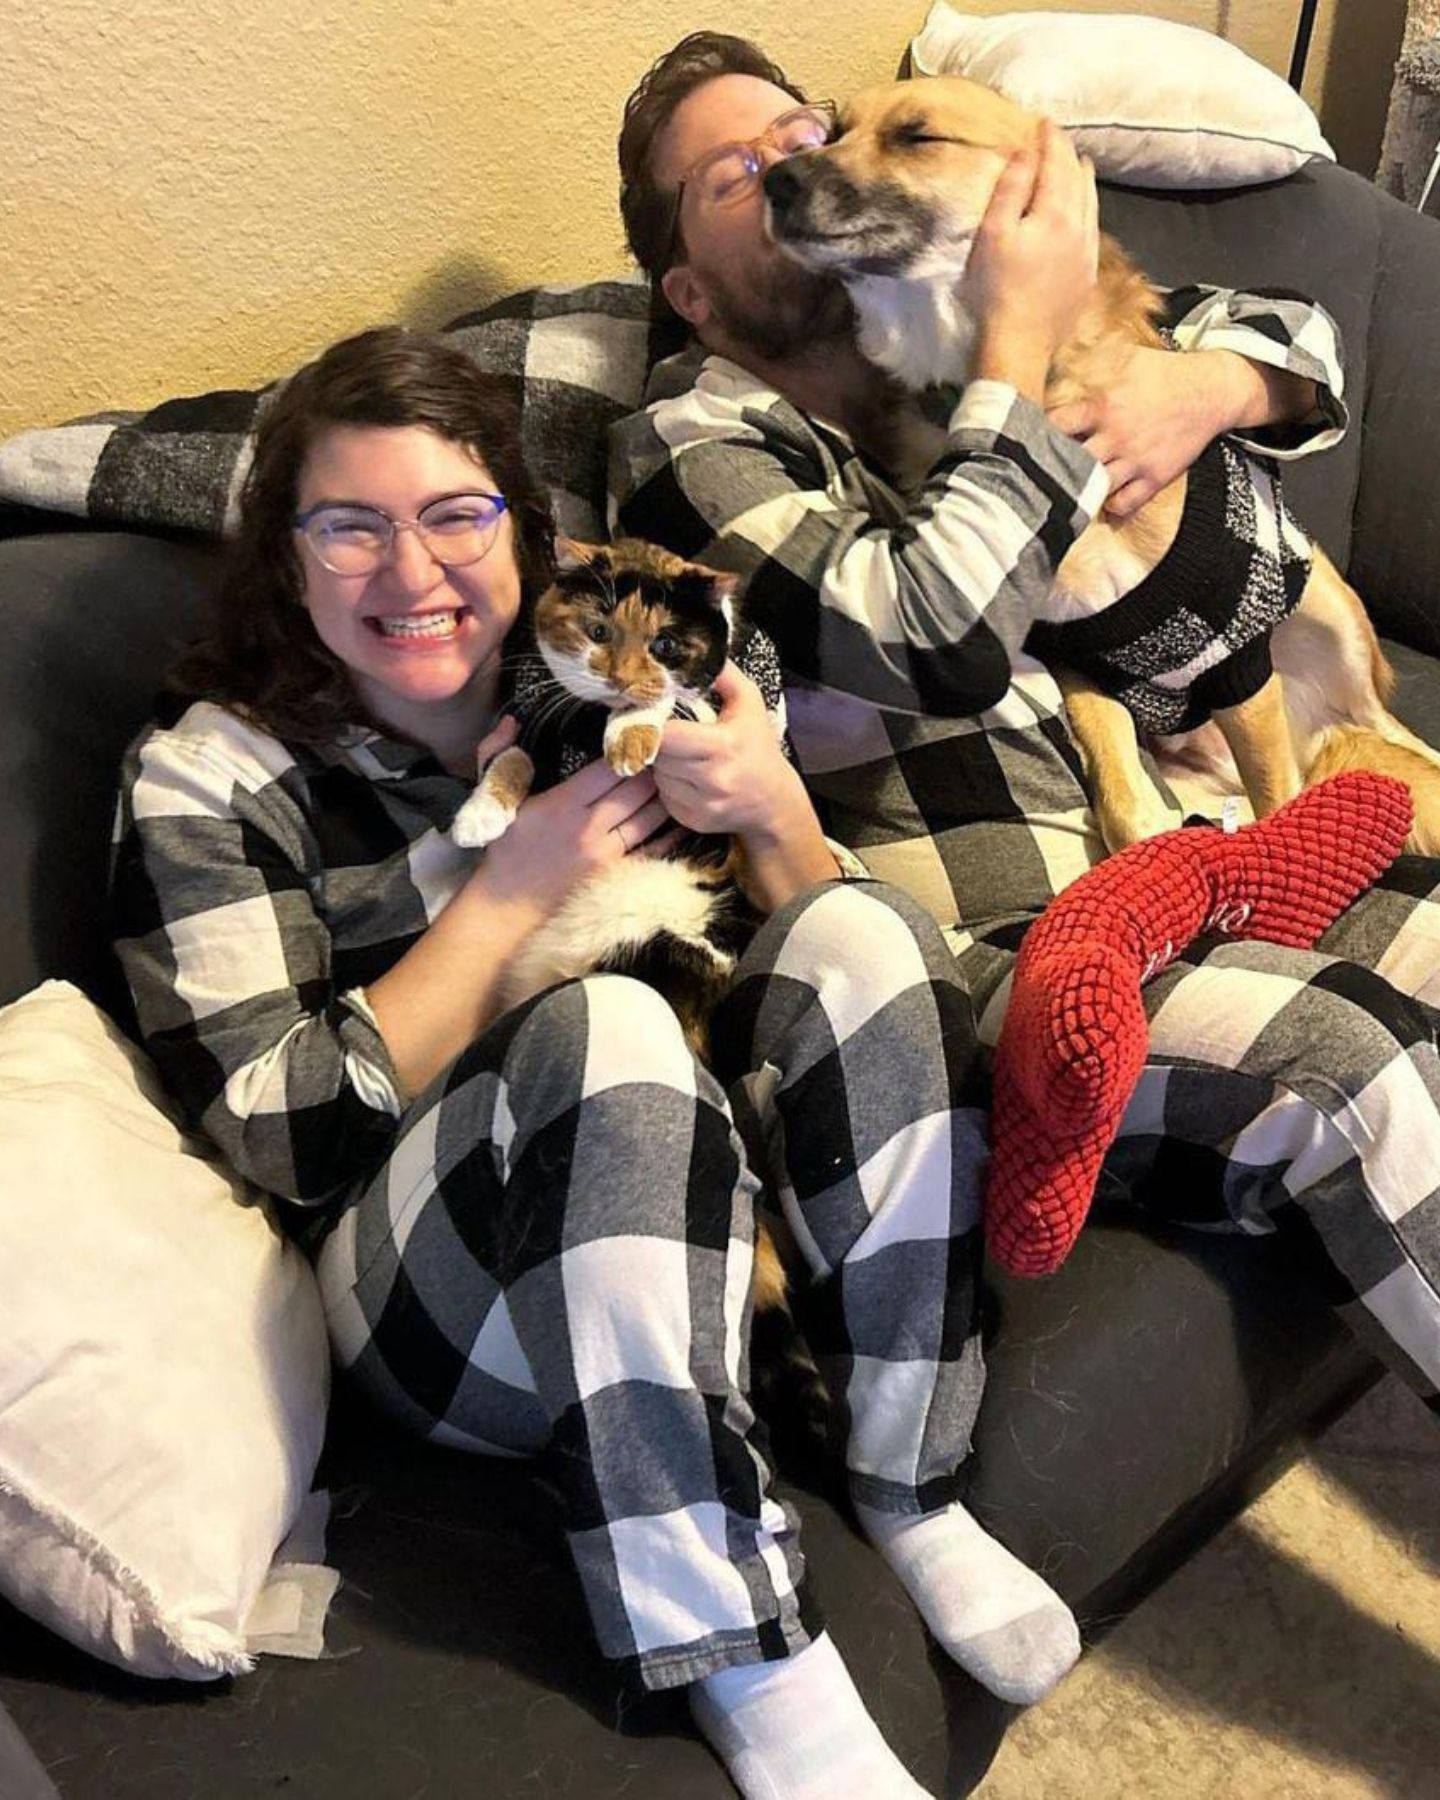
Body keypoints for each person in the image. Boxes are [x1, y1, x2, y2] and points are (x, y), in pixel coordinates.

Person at [108, 325, 1098, 1800]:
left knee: (863, 930)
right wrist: (514, 888)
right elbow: (287, 1136)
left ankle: (910, 1479)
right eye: (349, 527)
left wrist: (771, 813)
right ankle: (744, 1657)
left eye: (455, 515)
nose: (413, 570)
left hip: (696, 1220)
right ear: (284, 556)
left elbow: (810, 960)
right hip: (438, 1292)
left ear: (528, 533)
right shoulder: (209, 775)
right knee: (604, 1028)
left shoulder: (600, 684)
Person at [610, 15, 1440, 1689]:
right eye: (733, 173)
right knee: (1345, 1066)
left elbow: (1300, 348)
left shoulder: (936, 335)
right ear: (691, 287)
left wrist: (1208, 381)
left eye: (813, 126)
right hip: (1009, 949)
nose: (797, 161)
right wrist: (1022, 361)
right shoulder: (704, 435)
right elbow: (928, 638)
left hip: (1202, 846)